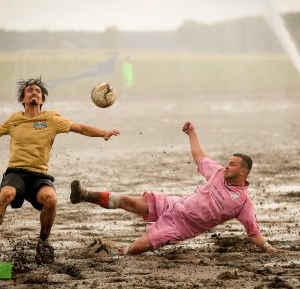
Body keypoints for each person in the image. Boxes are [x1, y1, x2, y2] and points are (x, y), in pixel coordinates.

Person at [70, 121, 285, 255]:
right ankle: (83, 195)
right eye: (228, 162)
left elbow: (253, 232)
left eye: (232, 164)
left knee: (137, 248)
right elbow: (199, 157)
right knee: (130, 201)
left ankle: (117, 252)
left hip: (182, 227)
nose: (227, 166)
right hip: (173, 204)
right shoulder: (218, 173)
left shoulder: (243, 203)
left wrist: (268, 247)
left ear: (243, 172)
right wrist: (192, 133)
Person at [0, 78, 120, 264]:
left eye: (37, 91)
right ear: (23, 99)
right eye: (30, 90)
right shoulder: (14, 120)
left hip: (39, 176)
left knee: (51, 199)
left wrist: (102, 132)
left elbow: (80, 128)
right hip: (15, 173)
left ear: (42, 100)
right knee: (6, 193)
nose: (34, 93)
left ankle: (42, 243)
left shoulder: (52, 118)